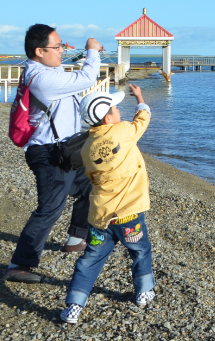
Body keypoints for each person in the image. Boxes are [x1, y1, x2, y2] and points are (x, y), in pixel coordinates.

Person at [3, 24, 102, 284]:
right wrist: (92, 52)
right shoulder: (42, 79)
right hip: (48, 153)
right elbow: (86, 79)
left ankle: (75, 239)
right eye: (57, 47)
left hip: (67, 148)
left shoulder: (50, 70)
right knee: (49, 209)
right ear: (39, 51)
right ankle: (19, 265)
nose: (63, 50)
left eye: (62, 45)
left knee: (91, 188)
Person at [59, 84, 156, 324]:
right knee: (140, 249)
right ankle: (144, 291)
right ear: (107, 116)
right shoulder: (123, 131)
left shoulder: (86, 148)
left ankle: (74, 305)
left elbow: (92, 177)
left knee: (90, 258)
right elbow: (143, 118)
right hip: (128, 214)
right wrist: (140, 97)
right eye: (115, 108)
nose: (118, 111)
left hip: (100, 216)